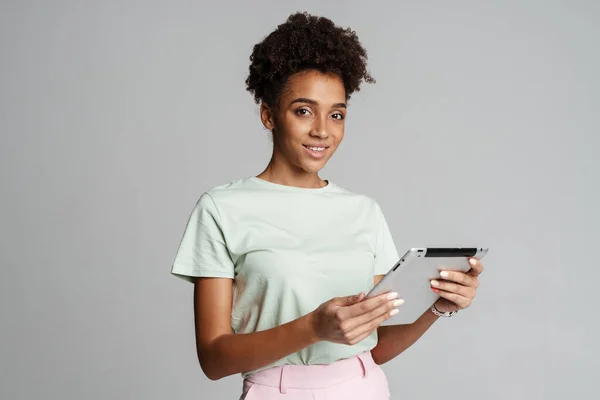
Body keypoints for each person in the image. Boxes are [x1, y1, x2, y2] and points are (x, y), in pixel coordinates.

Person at [171, 12, 484, 400]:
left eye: (336, 114)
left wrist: (436, 307)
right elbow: (214, 359)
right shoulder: (221, 209)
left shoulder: (363, 211)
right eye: (303, 110)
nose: (322, 130)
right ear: (269, 115)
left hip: (364, 387)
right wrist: (313, 328)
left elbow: (376, 345)